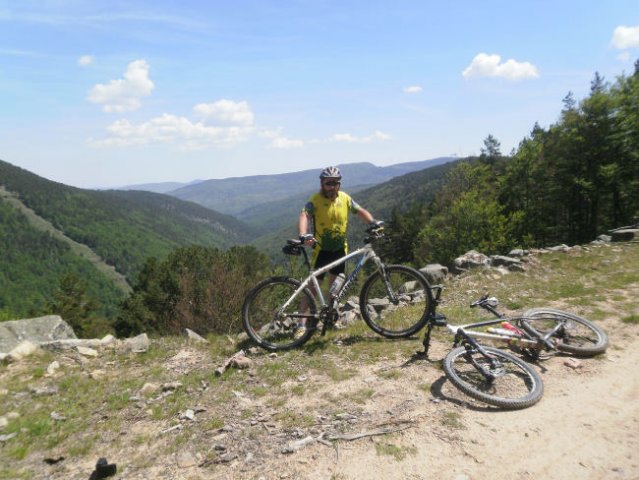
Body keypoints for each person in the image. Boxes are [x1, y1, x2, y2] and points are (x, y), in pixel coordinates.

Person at [296, 166, 378, 336]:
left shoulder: (345, 198)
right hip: (321, 251)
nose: (332, 186)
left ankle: (330, 319)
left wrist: (373, 223)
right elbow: (304, 215)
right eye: (328, 183)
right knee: (312, 288)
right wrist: (303, 235)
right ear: (322, 184)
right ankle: (301, 325)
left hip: (340, 250)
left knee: (335, 289)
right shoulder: (316, 200)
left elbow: (360, 210)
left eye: (335, 183)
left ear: (339, 184)